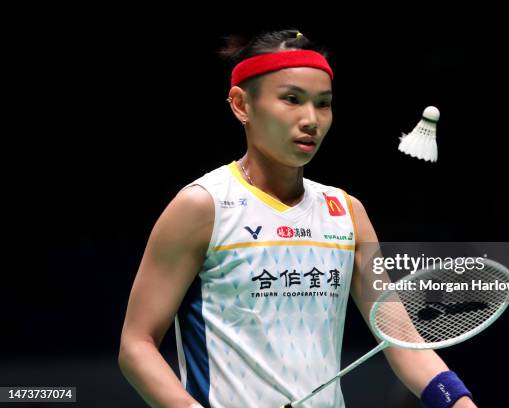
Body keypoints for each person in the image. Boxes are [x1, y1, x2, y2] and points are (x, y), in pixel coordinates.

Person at [118, 29, 477, 408]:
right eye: (291, 99)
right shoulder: (203, 206)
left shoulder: (346, 213)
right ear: (241, 105)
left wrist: (457, 402)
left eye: (323, 104)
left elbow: (403, 341)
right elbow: (136, 346)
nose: (311, 119)